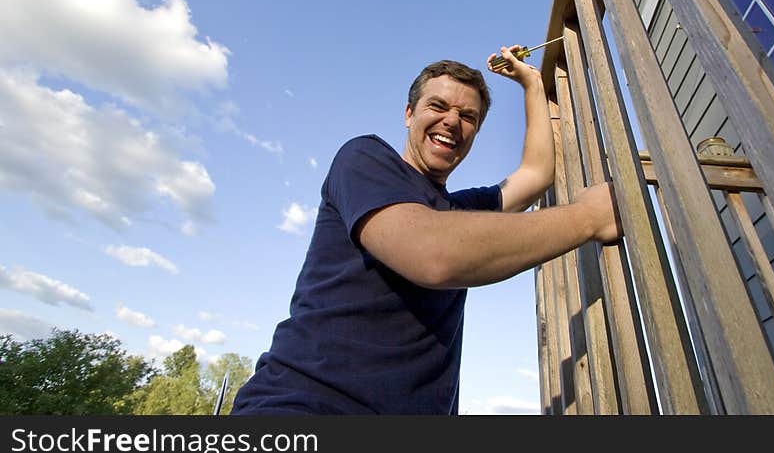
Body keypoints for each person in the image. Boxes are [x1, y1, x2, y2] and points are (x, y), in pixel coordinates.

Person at [231, 47, 621, 415]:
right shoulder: (364, 159)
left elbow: (535, 176)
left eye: (468, 117)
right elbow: (433, 255)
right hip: (304, 408)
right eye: (438, 106)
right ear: (408, 113)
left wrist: (531, 83)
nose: (452, 120)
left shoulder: (461, 212)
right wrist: (588, 217)